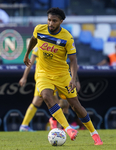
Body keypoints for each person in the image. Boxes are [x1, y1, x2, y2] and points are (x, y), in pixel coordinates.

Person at [23, 7, 103, 145]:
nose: (50, 23)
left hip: (62, 74)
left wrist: (73, 78)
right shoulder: (39, 29)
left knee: (75, 105)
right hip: (43, 73)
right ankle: (68, 128)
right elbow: (33, 40)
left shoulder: (67, 37)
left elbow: (73, 60)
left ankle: (95, 134)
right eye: (49, 20)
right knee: (46, 96)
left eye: (54, 21)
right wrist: (26, 55)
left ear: (61, 21)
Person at [19, 45, 78, 131]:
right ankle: (58, 124)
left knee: (56, 102)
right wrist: (24, 77)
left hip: (53, 77)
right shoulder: (39, 46)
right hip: (44, 78)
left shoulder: (55, 45)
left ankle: (61, 125)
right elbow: (30, 62)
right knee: (56, 102)